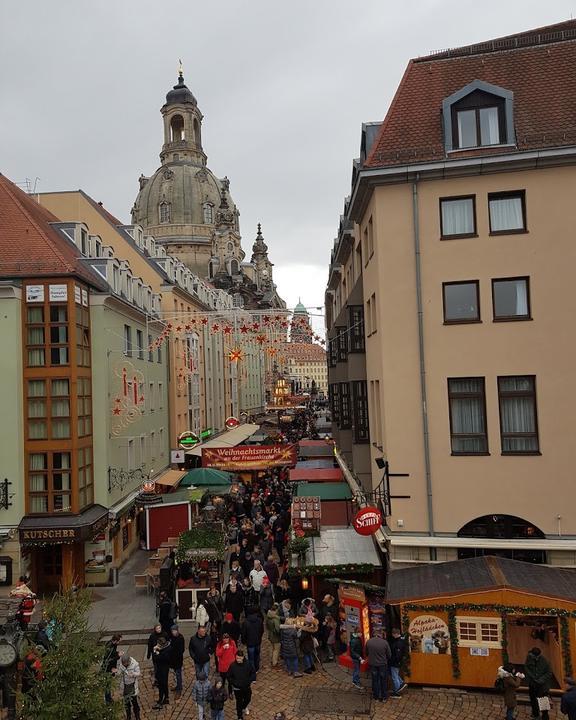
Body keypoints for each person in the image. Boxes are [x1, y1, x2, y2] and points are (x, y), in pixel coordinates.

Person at [525, 647, 553, 720]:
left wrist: (540, 680)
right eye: (533, 656)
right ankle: (535, 714)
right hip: (532, 684)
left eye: (536, 657)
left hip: (542, 686)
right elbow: (526, 668)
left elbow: (549, 673)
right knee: (533, 700)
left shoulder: (545, 661)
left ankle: (545, 717)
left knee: (543, 701)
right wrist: (532, 676)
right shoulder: (529, 658)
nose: (534, 658)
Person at [365, 630, 391, 703]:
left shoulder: (369, 642)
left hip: (373, 664)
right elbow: (389, 655)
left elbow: (366, 653)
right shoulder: (385, 643)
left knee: (375, 680)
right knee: (383, 680)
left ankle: (376, 696)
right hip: (382, 664)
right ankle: (384, 697)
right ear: (380, 635)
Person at [228, 650, 253, 719]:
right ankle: (239, 716)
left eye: (239, 658)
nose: (238, 660)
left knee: (248, 698)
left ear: (243, 657)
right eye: (237, 658)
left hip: (246, 686)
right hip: (237, 688)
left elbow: (252, 673)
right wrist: (234, 683)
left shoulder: (248, 664)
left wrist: (249, 680)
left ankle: (243, 707)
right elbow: (229, 676)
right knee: (239, 702)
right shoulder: (232, 666)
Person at [242, 606, 264, 680]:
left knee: (251, 658)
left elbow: (243, 633)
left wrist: (244, 641)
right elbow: (262, 631)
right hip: (257, 641)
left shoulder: (246, 622)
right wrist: (259, 637)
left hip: (250, 643)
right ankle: (257, 668)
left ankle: (252, 671)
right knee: (257, 656)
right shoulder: (259, 620)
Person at [117, 654, 142, 720]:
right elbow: (119, 672)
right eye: (123, 664)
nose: (124, 665)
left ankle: (137, 715)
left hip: (132, 685)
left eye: (126, 664)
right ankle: (128, 716)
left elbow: (138, 673)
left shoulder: (135, 664)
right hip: (125, 686)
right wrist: (116, 672)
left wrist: (133, 674)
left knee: (134, 701)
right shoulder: (122, 664)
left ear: (129, 662)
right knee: (126, 702)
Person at [215, 633, 238, 697]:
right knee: (222, 681)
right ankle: (222, 693)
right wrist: (223, 648)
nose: (226, 640)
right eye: (224, 638)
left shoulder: (232, 642)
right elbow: (217, 654)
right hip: (223, 667)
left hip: (231, 667)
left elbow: (235, 652)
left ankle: (230, 692)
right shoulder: (219, 645)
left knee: (231, 681)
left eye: (227, 638)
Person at [153, 636, 172, 709]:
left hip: (163, 669)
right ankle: (166, 697)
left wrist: (156, 652)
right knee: (164, 683)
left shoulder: (165, 651)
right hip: (163, 668)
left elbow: (157, 659)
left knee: (162, 684)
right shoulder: (166, 648)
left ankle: (161, 700)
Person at [102, 633, 122, 704]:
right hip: (107, 669)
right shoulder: (109, 647)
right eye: (119, 641)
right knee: (107, 685)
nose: (119, 643)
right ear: (115, 641)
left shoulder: (113, 645)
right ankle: (108, 701)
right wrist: (118, 656)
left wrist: (117, 653)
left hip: (111, 667)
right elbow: (108, 659)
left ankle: (109, 698)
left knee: (109, 685)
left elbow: (112, 654)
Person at [389, 628, 408, 695]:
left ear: (396, 634)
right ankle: (402, 684)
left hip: (395, 662)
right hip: (398, 662)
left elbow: (398, 655)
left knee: (394, 677)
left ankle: (397, 692)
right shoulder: (401, 641)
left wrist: (393, 661)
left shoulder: (398, 643)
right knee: (395, 675)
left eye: (393, 634)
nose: (392, 635)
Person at [169, 624, 185, 696]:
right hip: (173, 659)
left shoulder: (180, 638)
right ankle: (177, 686)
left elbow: (181, 650)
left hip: (178, 660)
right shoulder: (171, 637)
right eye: (172, 631)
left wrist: (173, 651)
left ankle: (179, 688)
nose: (174, 632)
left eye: (175, 631)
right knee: (175, 674)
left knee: (178, 674)